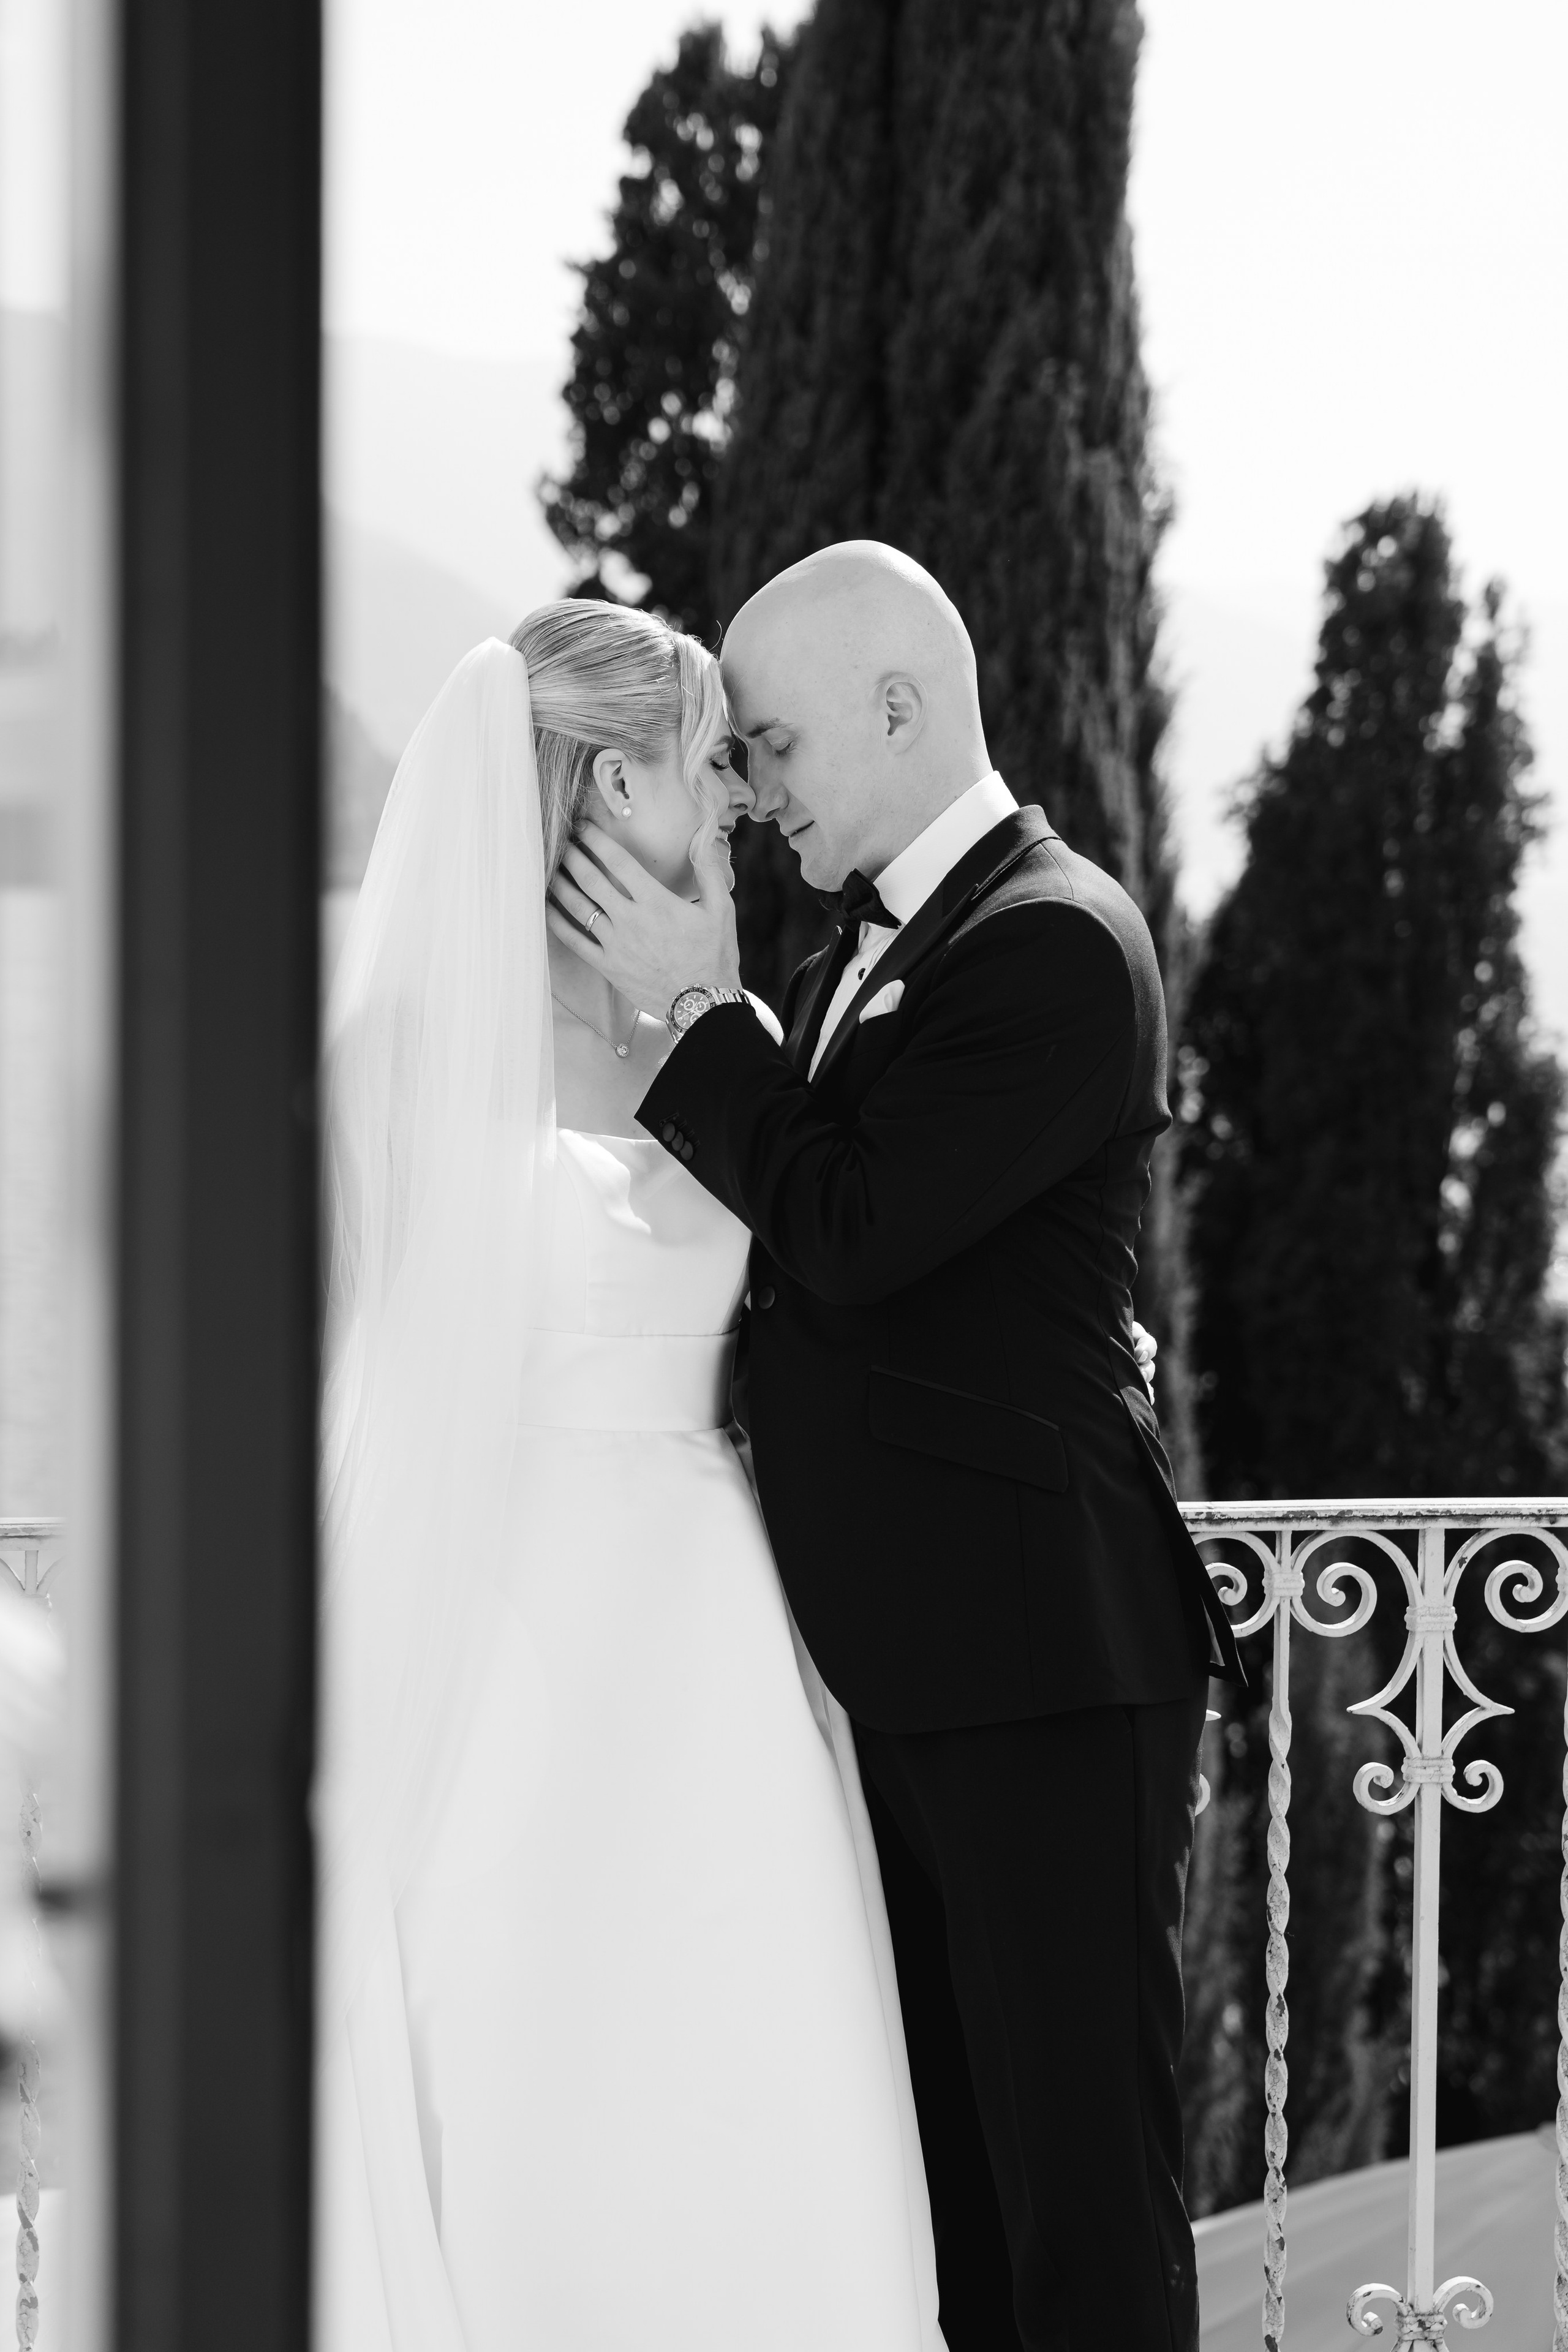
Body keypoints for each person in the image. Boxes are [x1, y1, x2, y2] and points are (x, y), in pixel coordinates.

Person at [549, 541, 1246, 2352]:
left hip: (1041, 1665)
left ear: (898, 708)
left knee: (1080, 2205)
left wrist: (703, 1017)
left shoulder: (1060, 945)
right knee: (956, 2203)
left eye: (774, 746)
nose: (755, 789)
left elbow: (849, 1233)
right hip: (911, 1663)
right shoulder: (877, 948)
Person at [315, 605, 948, 2351]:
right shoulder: (408, 1053)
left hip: (720, 1628)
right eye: (704, 767)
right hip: (503, 1611)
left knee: (750, 2044)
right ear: (607, 780)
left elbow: (831, 1267)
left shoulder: (721, 1023)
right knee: (522, 2043)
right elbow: (366, 1368)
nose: (736, 801)